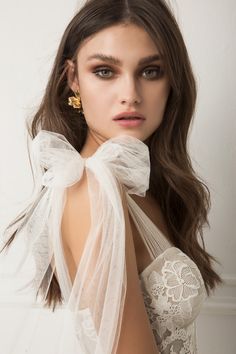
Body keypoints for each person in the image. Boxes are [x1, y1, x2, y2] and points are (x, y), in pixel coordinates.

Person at [0, 0, 222, 353]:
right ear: (73, 78)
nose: (130, 96)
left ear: (172, 81)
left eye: (151, 71)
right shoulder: (93, 189)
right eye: (105, 71)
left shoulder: (134, 184)